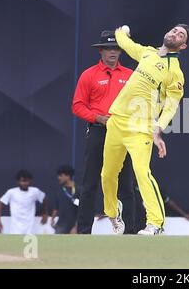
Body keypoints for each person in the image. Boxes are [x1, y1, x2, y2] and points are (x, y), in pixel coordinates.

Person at [101, 24, 189, 236]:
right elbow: (126, 44)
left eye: (181, 35)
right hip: (117, 121)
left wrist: (158, 129)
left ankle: (155, 223)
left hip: (141, 127)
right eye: (174, 30)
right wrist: (120, 32)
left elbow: (171, 104)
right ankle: (114, 214)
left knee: (142, 173)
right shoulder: (148, 53)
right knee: (107, 174)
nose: (175, 33)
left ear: (183, 45)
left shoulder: (175, 72)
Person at [72, 30, 135, 234]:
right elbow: (77, 106)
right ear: (100, 51)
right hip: (98, 130)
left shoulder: (129, 76)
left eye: (116, 48)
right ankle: (83, 231)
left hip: (122, 133)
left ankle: (131, 231)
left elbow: (138, 103)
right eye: (108, 48)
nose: (112, 52)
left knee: (126, 183)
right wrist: (98, 118)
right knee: (89, 183)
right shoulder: (89, 75)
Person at [0, 170, 48, 234]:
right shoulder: (11, 192)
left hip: (30, 229)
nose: (25, 183)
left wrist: (45, 213)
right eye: (23, 181)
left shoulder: (35, 191)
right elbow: (0, 203)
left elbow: (44, 198)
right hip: (15, 230)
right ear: (18, 181)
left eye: (27, 181)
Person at [51, 165, 79, 234]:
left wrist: (76, 226)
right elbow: (56, 207)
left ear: (68, 176)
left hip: (74, 225)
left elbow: (82, 210)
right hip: (61, 225)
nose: (58, 178)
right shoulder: (59, 190)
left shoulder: (79, 190)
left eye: (60, 175)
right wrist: (52, 218)